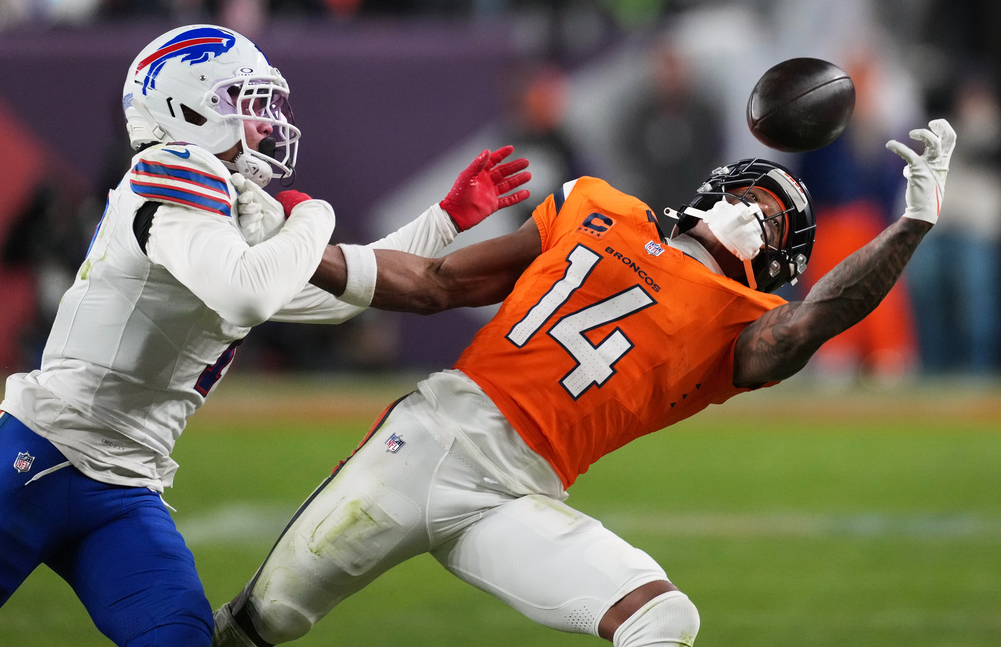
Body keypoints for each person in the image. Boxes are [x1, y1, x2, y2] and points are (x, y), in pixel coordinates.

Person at [213, 118, 956, 647]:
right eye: (752, 199)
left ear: (778, 267)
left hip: (519, 493)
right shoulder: (594, 205)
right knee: (258, 625)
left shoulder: (743, 320)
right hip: (427, 441)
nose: (753, 219)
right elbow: (436, 282)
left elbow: (810, 324)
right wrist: (295, 252)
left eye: (772, 224)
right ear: (716, 189)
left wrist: (909, 225)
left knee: (663, 618)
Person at [0, 24, 530, 645]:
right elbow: (248, 289)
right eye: (246, 101)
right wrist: (311, 218)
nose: (266, 122)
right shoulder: (172, 166)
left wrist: (444, 222)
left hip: (125, 487)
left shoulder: (227, 205)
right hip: (39, 455)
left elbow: (331, 297)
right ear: (187, 107)